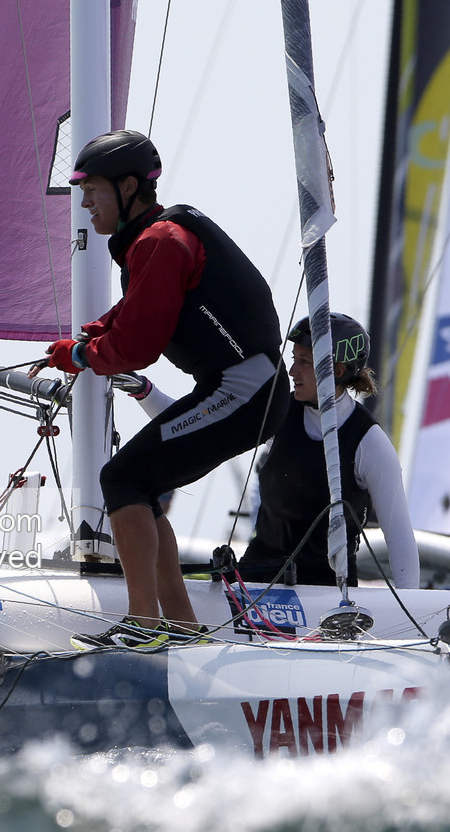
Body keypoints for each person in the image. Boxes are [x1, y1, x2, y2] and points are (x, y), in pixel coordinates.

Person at [35, 129, 289, 649]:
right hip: (245, 389)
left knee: (123, 477)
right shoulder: (156, 240)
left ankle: (144, 626)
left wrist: (84, 355)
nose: (83, 203)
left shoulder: (160, 241)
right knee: (138, 484)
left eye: (93, 190)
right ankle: (179, 625)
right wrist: (91, 337)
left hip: (245, 392)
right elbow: (140, 312)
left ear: (129, 188)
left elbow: (138, 346)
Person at [234, 314, 420, 590]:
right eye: (294, 359)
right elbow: (207, 434)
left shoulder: (369, 442)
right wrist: (145, 391)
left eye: (304, 362)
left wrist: (410, 611)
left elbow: (399, 537)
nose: (292, 371)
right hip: (257, 577)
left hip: (328, 591)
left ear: (337, 370)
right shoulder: (277, 411)